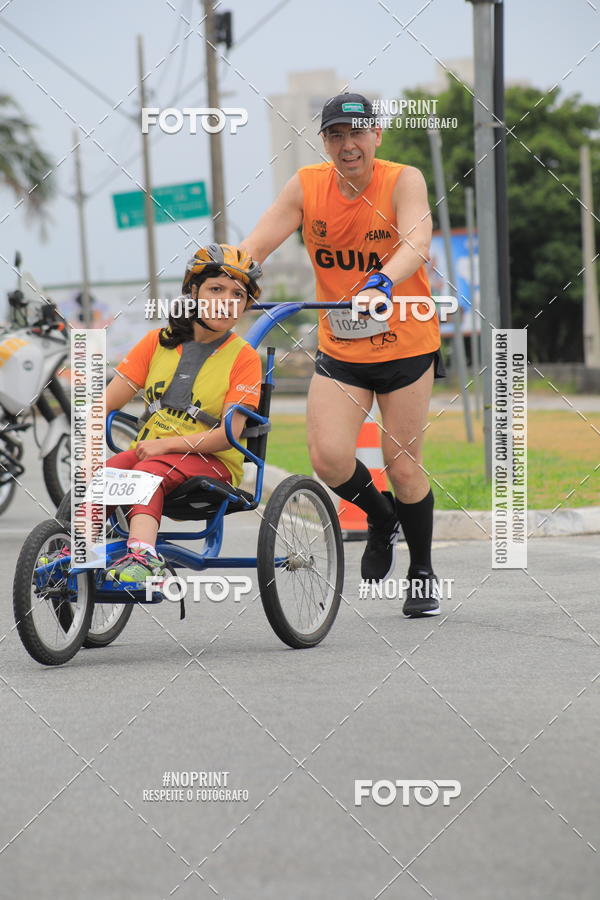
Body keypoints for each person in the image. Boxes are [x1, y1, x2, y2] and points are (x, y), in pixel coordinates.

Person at [241, 92, 445, 617]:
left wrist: (381, 279)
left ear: (376, 135)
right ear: (325, 141)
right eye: (335, 135)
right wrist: (230, 276)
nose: (347, 145)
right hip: (341, 345)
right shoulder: (308, 185)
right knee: (329, 458)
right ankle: (380, 519)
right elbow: (256, 243)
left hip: (406, 343)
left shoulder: (404, 179)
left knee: (402, 466)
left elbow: (417, 238)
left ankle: (421, 572)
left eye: (356, 133)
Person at [99, 244, 263, 583]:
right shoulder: (155, 343)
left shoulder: (245, 358)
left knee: (147, 469)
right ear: (193, 292)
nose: (226, 300)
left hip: (213, 464)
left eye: (237, 294)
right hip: (150, 455)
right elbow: (105, 404)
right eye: (215, 289)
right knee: (105, 475)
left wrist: (166, 446)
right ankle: (73, 547)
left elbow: (225, 436)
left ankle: (144, 558)